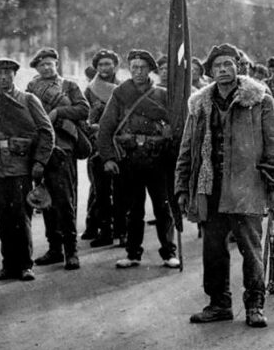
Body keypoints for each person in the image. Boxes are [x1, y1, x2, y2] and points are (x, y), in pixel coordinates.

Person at [175, 44, 274, 328]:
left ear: (239, 66)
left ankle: (254, 305)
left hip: (246, 185)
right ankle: (219, 304)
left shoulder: (259, 99)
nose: (223, 70)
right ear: (210, 72)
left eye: (228, 64)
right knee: (213, 249)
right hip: (210, 186)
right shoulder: (200, 103)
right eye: (217, 66)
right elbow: (188, 147)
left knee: (250, 248)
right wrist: (181, 186)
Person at [96, 49, 180, 269]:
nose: (138, 72)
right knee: (133, 209)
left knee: (163, 208)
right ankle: (133, 253)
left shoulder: (162, 95)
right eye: (134, 67)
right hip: (129, 159)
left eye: (143, 67)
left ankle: (169, 252)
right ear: (129, 69)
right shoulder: (120, 94)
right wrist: (108, 158)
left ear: (150, 70)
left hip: (158, 159)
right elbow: (105, 128)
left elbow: (176, 126)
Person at [0, 57, 55, 282]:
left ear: (15, 75)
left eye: (8, 73)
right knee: (3, 219)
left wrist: (40, 162)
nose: (3, 77)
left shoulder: (29, 100)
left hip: (21, 168)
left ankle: (25, 264)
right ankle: (8, 265)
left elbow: (46, 132)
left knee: (21, 218)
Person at [26, 47, 89, 270]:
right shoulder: (31, 88)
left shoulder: (69, 86)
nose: (46, 68)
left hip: (63, 149)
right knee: (46, 200)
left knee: (65, 202)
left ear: (56, 64)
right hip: (41, 150)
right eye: (42, 65)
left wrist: (58, 114)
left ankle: (71, 252)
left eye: (50, 64)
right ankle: (54, 249)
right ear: (36, 68)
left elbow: (83, 109)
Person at [82, 49, 124, 248]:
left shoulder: (124, 87)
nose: (105, 68)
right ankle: (101, 229)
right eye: (101, 65)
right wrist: (93, 120)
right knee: (100, 190)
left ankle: (121, 231)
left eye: (108, 64)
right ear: (96, 68)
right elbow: (84, 116)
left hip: (120, 144)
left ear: (115, 65)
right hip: (97, 143)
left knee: (122, 189)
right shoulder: (90, 89)